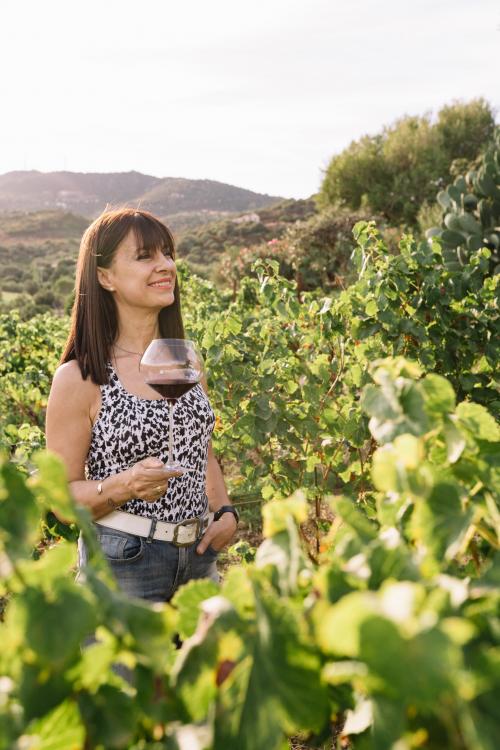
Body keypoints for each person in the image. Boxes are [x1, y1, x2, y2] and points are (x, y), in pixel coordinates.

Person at [45, 207, 238, 602]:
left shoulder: (183, 364)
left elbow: (203, 450)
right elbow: (62, 500)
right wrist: (126, 484)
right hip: (124, 563)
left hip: (201, 561)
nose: (165, 265)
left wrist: (224, 512)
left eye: (167, 254)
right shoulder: (80, 377)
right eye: (145, 256)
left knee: (203, 666)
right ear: (105, 277)